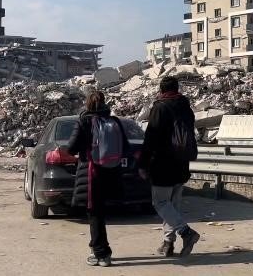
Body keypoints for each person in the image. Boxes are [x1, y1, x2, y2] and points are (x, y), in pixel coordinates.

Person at [137, 76, 200, 257]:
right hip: (181, 164)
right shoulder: (186, 108)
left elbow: (151, 139)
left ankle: (186, 233)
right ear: (177, 88)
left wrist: (142, 163)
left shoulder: (160, 108)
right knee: (172, 205)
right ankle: (168, 243)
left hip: (163, 165)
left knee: (161, 202)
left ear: (162, 90)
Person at [67, 90, 129, 267]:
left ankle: (101, 253)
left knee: (94, 214)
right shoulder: (114, 121)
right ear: (104, 103)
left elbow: (71, 148)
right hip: (111, 172)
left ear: (87, 104)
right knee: (100, 213)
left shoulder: (84, 121)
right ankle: (100, 250)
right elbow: (125, 147)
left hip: (92, 173)